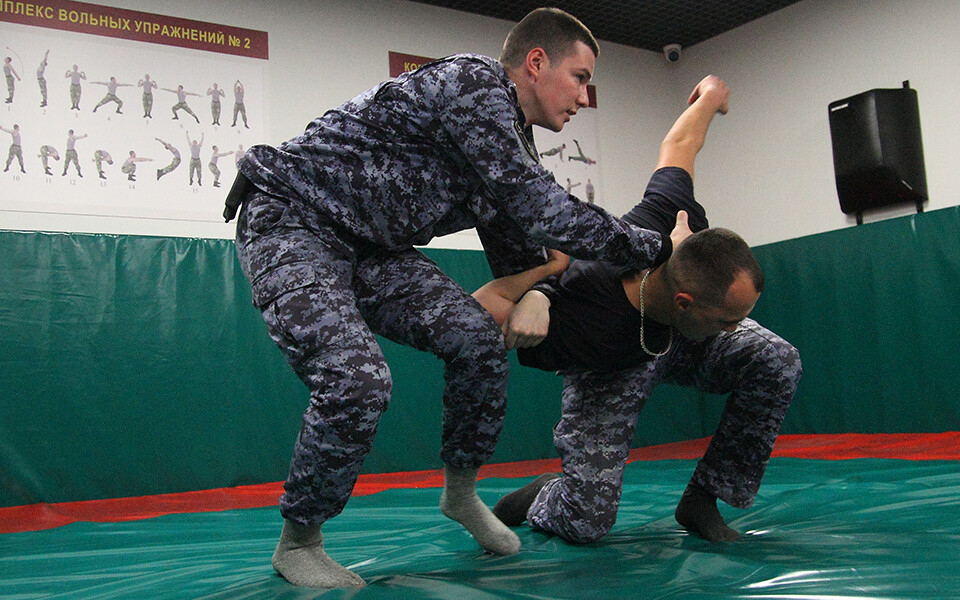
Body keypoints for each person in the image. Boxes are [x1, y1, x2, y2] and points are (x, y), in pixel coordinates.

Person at [226, 7, 677, 589]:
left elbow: (522, 248)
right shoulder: (473, 84)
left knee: (476, 340)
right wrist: (652, 244)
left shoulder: (511, 145)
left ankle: (460, 494)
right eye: (582, 77)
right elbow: (547, 211)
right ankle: (301, 539)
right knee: (356, 380)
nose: (585, 98)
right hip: (293, 219)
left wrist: (538, 289)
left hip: (373, 250)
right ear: (536, 63)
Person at [478, 76, 802, 545]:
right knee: (585, 523)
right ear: (686, 302)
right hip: (609, 366)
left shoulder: (670, 214)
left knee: (776, 359)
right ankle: (547, 495)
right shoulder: (585, 309)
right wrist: (531, 298)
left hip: (675, 337)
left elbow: (679, 144)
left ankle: (702, 500)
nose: (736, 328)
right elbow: (490, 309)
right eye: (727, 319)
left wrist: (709, 98)